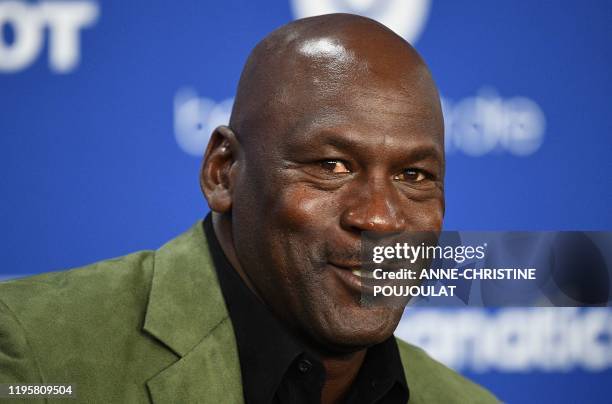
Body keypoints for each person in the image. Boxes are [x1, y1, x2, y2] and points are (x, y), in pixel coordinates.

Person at [0, 13, 498, 404]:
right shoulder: (35, 355)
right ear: (223, 172)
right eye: (332, 165)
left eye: (414, 177)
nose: (380, 219)